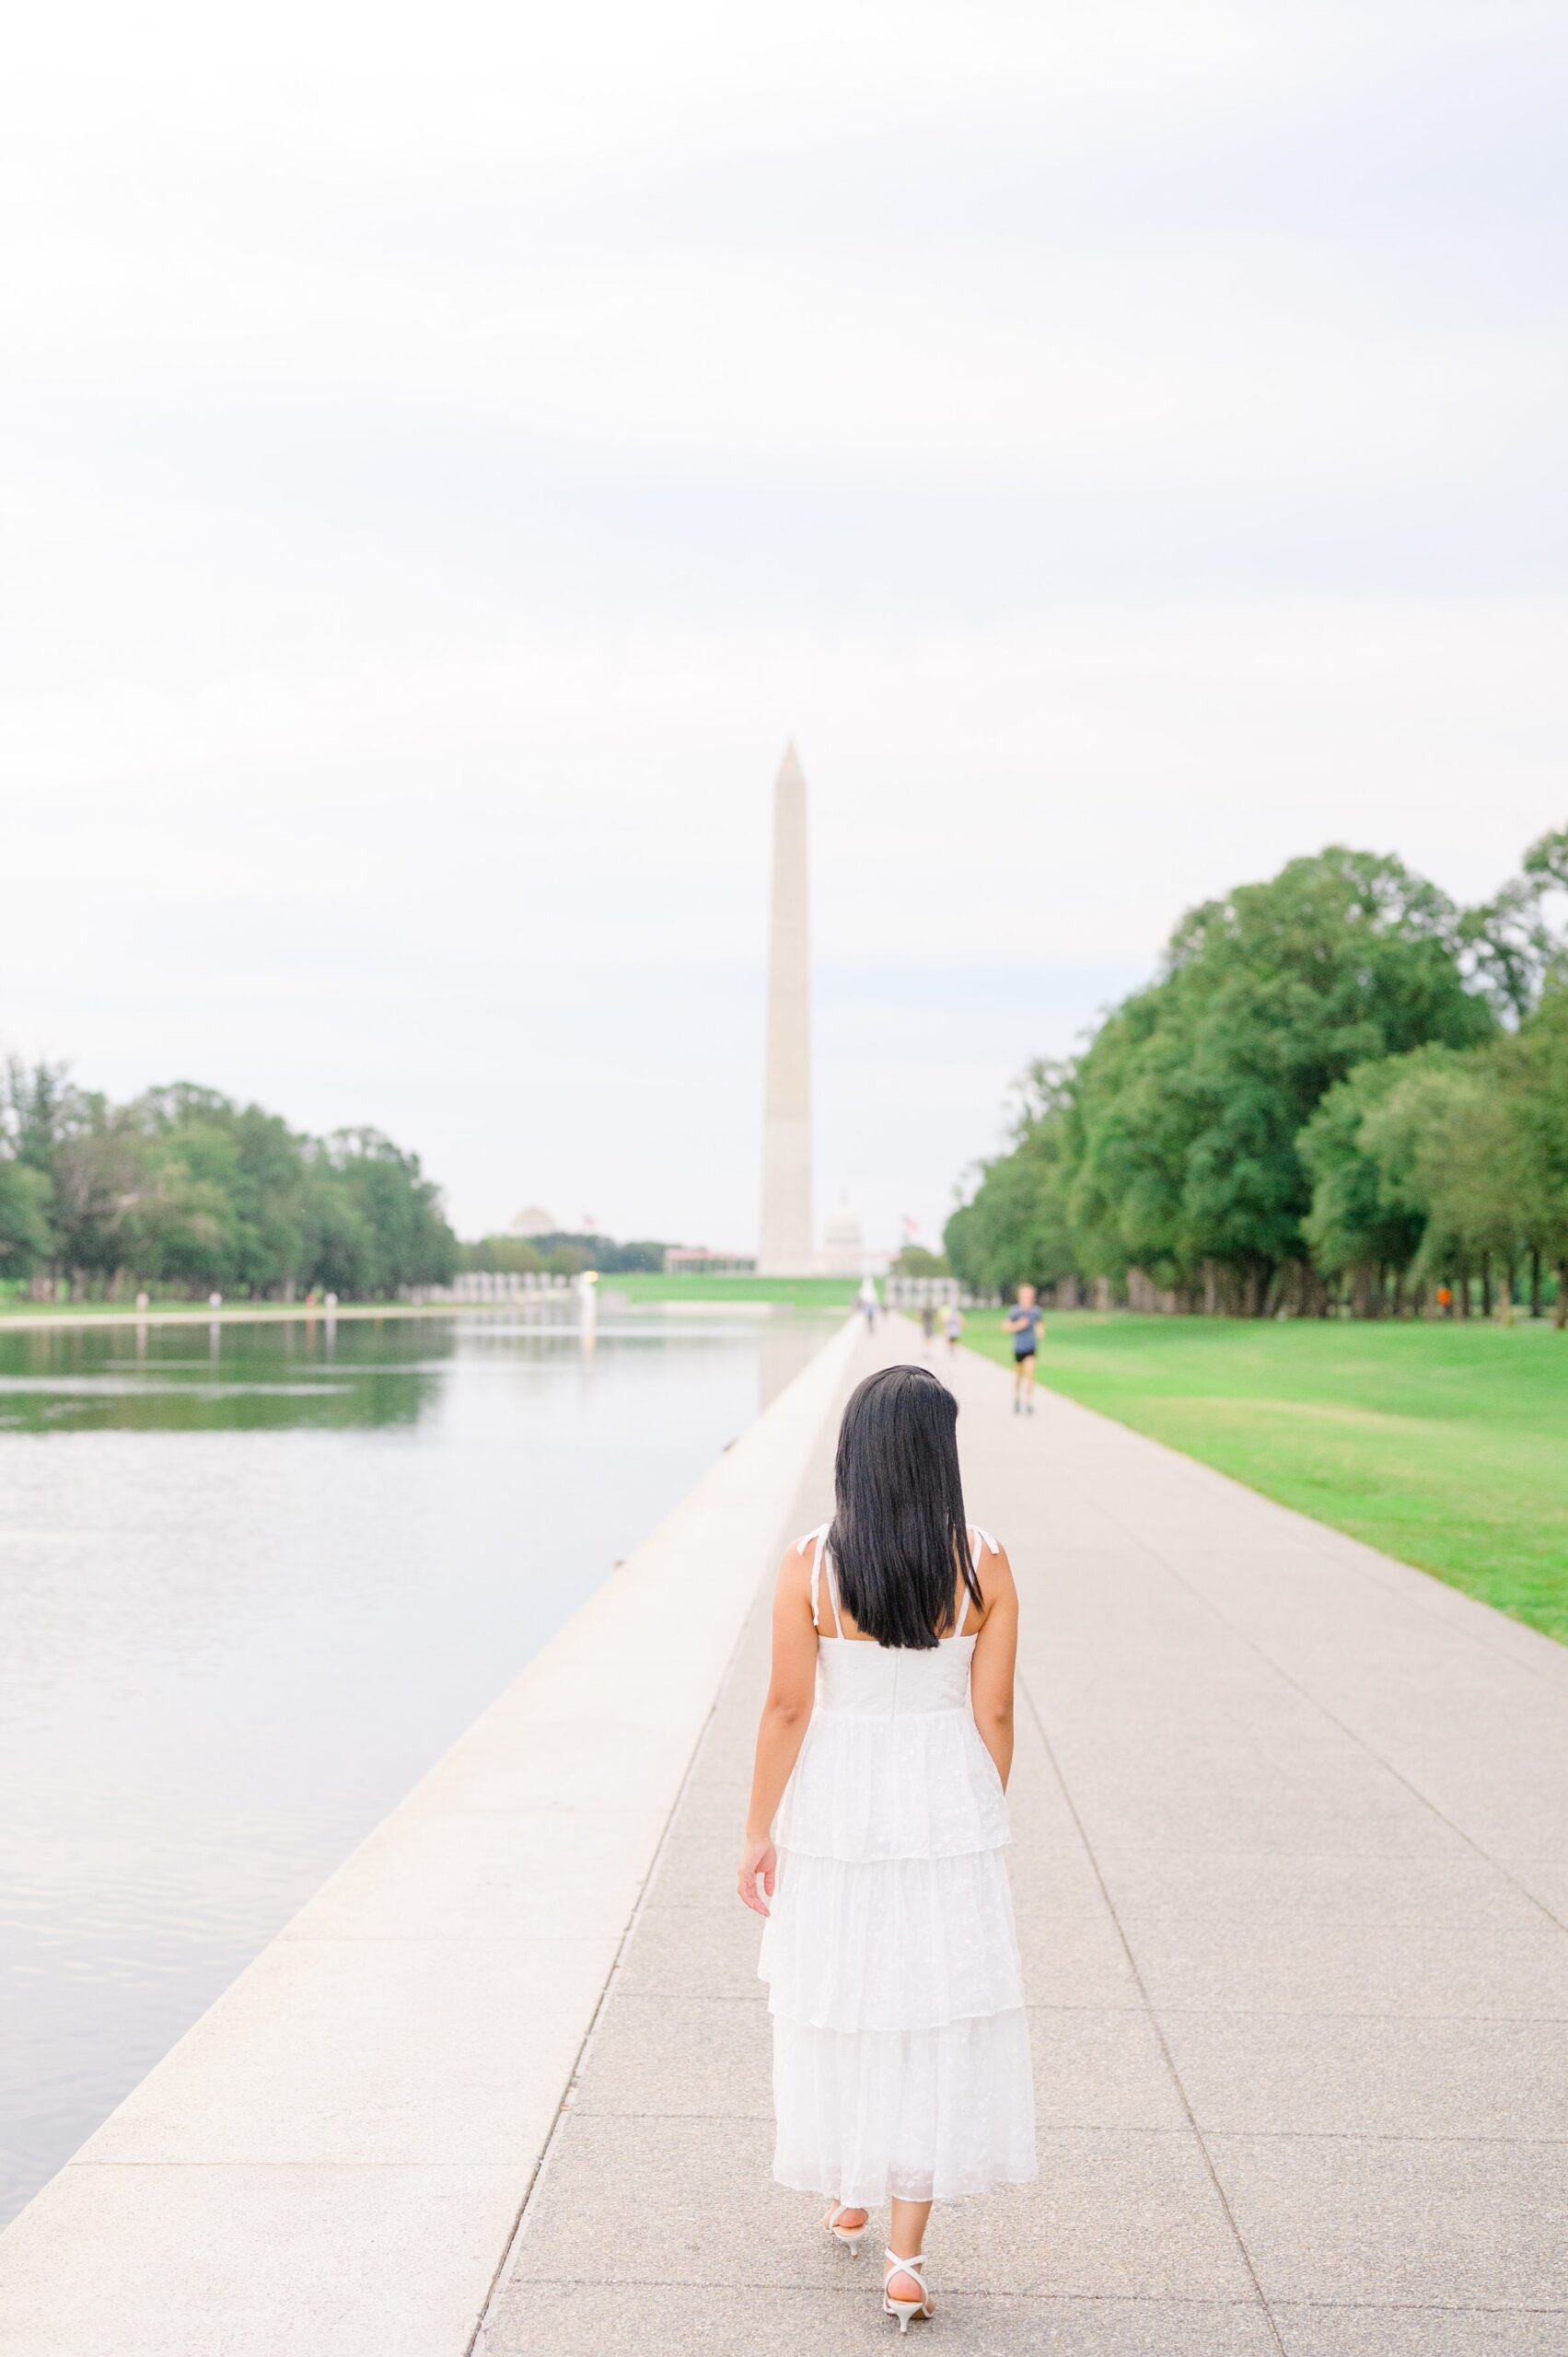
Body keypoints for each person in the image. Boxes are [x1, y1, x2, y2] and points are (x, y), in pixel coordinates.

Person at [738, 1366, 1034, 2330]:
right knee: (928, 2006)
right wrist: (977, 1805)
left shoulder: (808, 1564)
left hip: (838, 1804)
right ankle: (904, 2259)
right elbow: (991, 1709)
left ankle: (848, 2185)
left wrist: (755, 1829)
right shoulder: (984, 1562)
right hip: (943, 1797)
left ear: (853, 1451)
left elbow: (787, 1706)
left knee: (846, 1991)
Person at [1004, 1283, 1043, 1414]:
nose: (1027, 1297)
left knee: (1030, 1373)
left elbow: (1040, 1325)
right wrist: (1019, 1325)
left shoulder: (1036, 1311)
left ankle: (1028, 1402)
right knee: (1019, 1376)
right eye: (1024, 1294)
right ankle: (1017, 1397)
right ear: (1020, 1296)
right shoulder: (1015, 1311)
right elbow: (1006, 1327)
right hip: (1018, 1348)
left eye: (1029, 1295)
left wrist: (1040, 1332)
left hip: (1031, 1347)